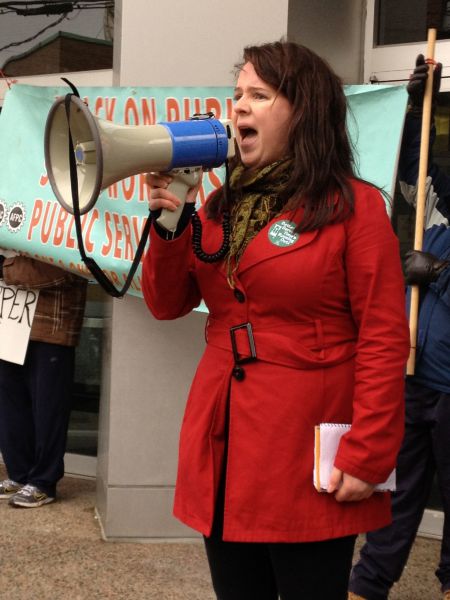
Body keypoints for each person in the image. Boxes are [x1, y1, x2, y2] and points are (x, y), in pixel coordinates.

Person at [142, 41, 410, 600]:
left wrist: (370, 451)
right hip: (224, 437)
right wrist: (171, 221)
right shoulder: (218, 207)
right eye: (237, 94)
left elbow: (384, 339)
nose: (238, 106)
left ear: (304, 112)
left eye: (259, 95)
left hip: (302, 446)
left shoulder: (355, 210)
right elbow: (166, 304)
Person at [348, 56, 450, 600]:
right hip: (414, 376)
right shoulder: (434, 209)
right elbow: (415, 166)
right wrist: (415, 107)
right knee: (398, 493)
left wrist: (437, 272)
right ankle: (367, 586)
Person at [0, 253, 87, 508]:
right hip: (11, 320)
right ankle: (19, 473)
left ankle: (42, 482)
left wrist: (6, 269)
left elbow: (65, 267)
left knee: (48, 408)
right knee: (10, 403)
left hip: (51, 327)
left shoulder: (68, 216)